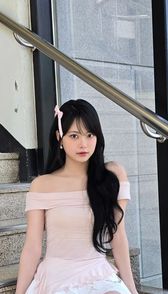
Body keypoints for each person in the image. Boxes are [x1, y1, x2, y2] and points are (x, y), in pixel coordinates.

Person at [15, 99, 138, 294]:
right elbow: (32, 246)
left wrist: (131, 289)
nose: (84, 144)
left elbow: (118, 236)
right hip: (56, 277)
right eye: (74, 136)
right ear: (59, 137)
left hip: (98, 274)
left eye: (90, 135)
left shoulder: (112, 176)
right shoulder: (42, 185)